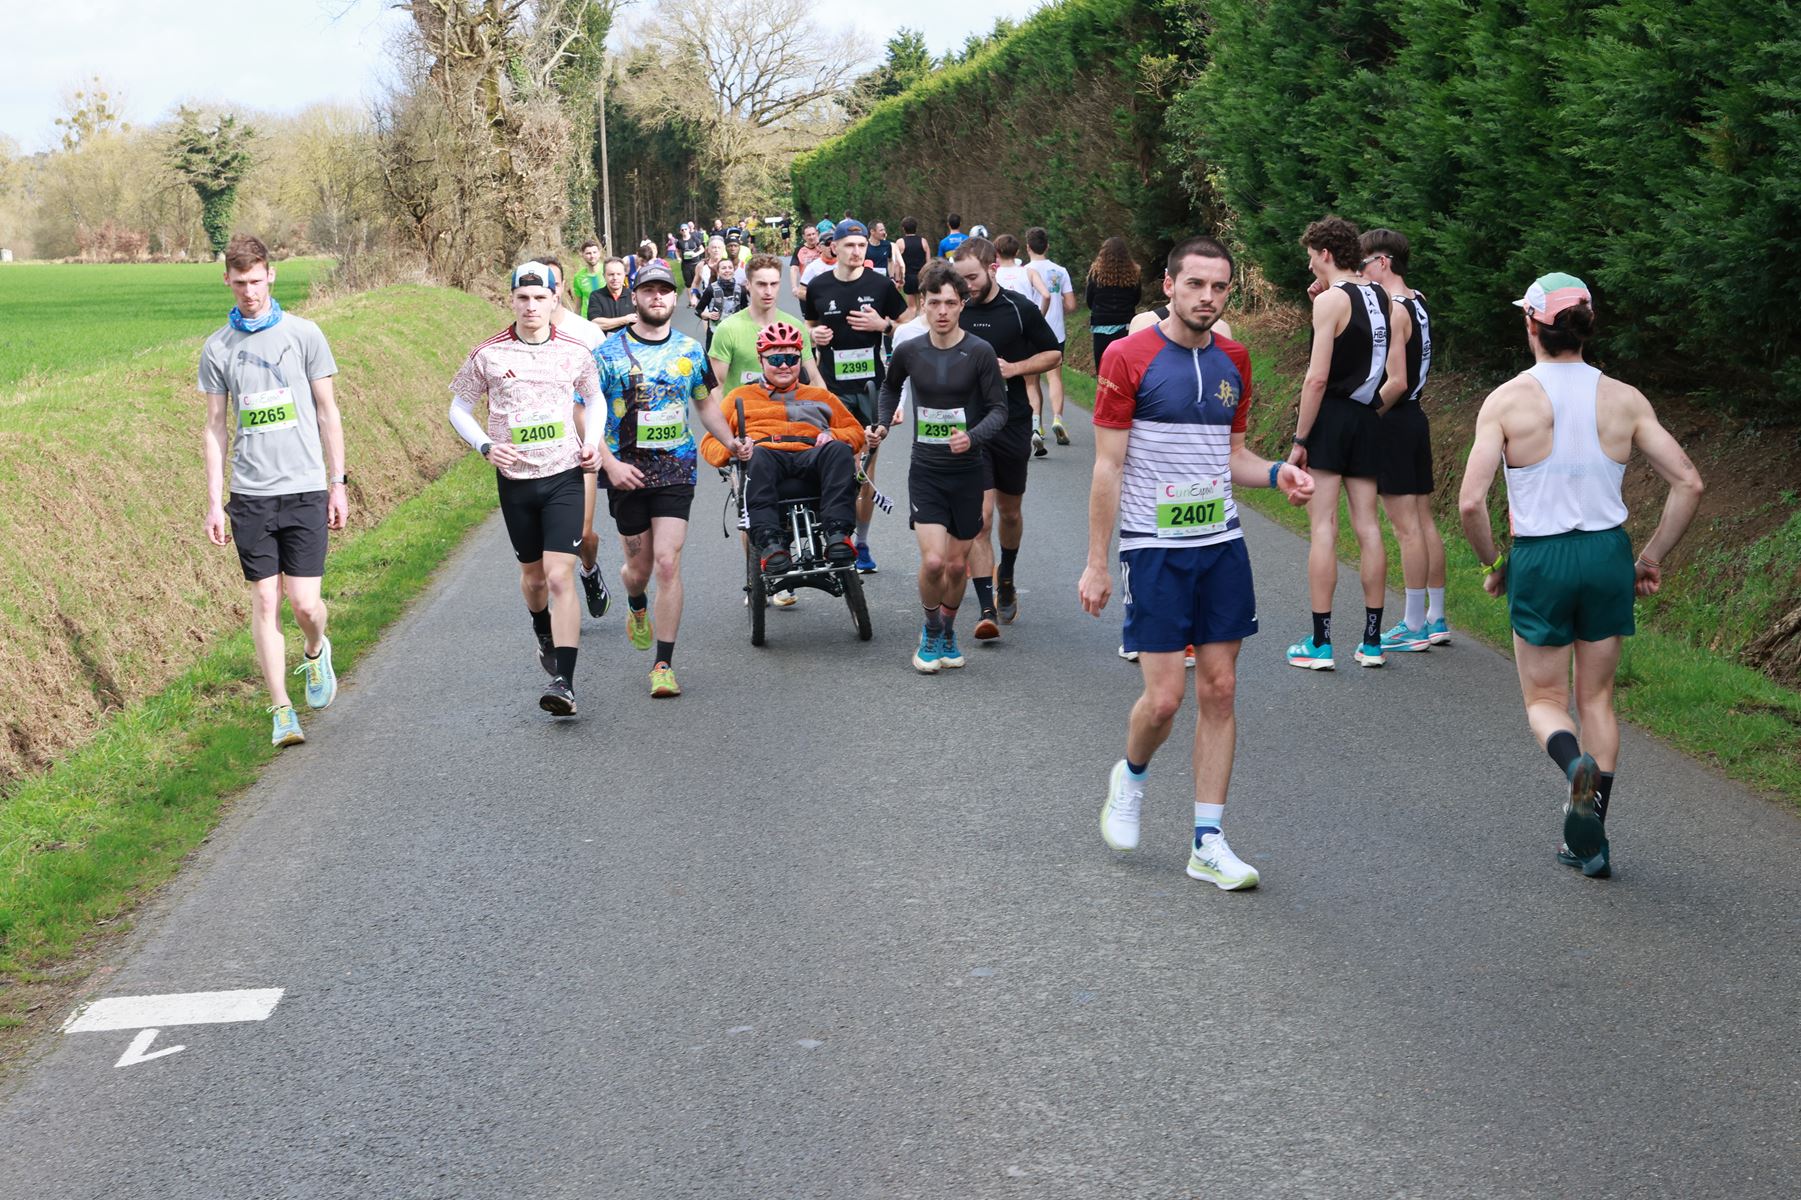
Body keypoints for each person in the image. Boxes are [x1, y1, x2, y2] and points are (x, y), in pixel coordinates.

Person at [1080, 236, 1316, 891]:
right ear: (1168, 285)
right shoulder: (1127, 357)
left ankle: (1206, 841)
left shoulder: (1234, 359)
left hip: (1220, 545)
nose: (1207, 297)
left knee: (1220, 689)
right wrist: (1097, 563)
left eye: (1218, 287)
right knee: (1163, 700)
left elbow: (1232, 457)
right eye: (1195, 284)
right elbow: (1108, 466)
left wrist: (1277, 473)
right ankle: (1130, 778)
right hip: (1153, 548)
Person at [1458, 272, 1702, 880]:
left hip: (1541, 557)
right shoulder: (1625, 399)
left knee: (1546, 700)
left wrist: (1495, 565)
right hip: (1606, 555)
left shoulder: (1507, 401)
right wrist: (1648, 559)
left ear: (1532, 324)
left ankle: (1574, 768)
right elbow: (1689, 482)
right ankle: (1591, 845)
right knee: (1596, 698)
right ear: (1586, 327)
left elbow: (1470, 502)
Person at [200, 234, 348, 748]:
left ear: (271, 276)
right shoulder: (218, 347)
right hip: (250, 494)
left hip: (304, 487)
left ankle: (315, 650)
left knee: (305, 605)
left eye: (256, 281)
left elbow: (328, 413)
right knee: (266, 599)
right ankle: (282, 710)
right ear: (227, 281)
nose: (249, 292)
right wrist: (214, 500)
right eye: (240, 283)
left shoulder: (305, 334)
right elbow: (215, 427)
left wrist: (337, 484)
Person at [448, 260, 611, 717]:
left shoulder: (575, 350)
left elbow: (594, 397)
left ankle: (565, 683)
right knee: (535, 579)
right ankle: (543, 629)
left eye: (540, 297)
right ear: (512, 300)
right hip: (516, 480)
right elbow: (458, 408)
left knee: (559, 577)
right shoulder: (488, 354)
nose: (531, 306)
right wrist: (485, 445)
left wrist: (592, 442)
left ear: (555, 299)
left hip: (564, 475)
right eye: (523, 297)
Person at [591, 262, 748, 698]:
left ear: (674, 298)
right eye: (649, 291)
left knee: (666, 562)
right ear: (635, 298)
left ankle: (663, 664)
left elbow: (706, 405)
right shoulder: (607, 353)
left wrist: (731, 443)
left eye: (664, 290)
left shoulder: (690, 350)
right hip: (627, 472)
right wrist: (609, 464)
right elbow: (586, 414)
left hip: (676, 468)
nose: (657, 297)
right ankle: (636, 603)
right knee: (637, 570)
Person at [872, 263, 1010, 673]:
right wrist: (883, 422)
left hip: (967, 472)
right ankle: (931, 629)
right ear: (923, 304)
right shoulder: (910, 350)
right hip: (926, 470)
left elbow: (999, 410)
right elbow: (889, 387)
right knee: (933, 562)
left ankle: (948, 630)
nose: (943, 311)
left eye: (950, 303)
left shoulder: (980, 352)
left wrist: (973, 437)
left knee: (955, 565)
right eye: (935, 303)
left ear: (962, 305)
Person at [1285, 215, 1391, 671]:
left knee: (1324, 525)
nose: (1310, 266)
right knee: (1368, 526)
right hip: (1368, 415)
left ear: (1325, 253)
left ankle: (1321, 642)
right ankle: (1372, 641)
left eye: (1312, 257)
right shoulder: (1380, 295)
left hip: (1332, 416)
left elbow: (1317, 377)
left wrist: (1300, 439)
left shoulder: (1331, 300)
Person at [951, 237, 1063, 637]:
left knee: (1009, 512)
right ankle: (987, 609)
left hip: (1012, 421)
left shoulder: (1019, 309)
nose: (966, 286)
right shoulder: (955, 308)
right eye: (960, 279)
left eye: (972, 278)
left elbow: (1053, 354)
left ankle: (1008, 574)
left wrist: (1014, 369)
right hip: (968, 425)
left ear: (992, 269)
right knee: (981, 520)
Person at [709, 253, 825, 609]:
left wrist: (831, 419)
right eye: (761, 284)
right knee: (751, 507)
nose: (769, 290)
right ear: (748, 285)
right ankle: (759, 577)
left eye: (774, 283)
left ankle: (784, 562)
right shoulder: (729, 329)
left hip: (790, 427)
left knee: (795, 496)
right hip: (747, 431)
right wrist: (725, 435)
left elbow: (814, 379)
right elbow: (714, 387)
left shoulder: (794, 326)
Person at [700, 321, 864, 571]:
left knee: (839, 449)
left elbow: (856, 431)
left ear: (800, 360)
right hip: (767, 458)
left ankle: (838, 534)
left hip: (812, 457)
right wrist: (734, 447)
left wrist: (833, 434)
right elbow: (710, 442)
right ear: (761, 360)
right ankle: (770, 543)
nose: (785, 365)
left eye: (792, 359)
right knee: (758, 455)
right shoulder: (739, 397)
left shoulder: (822, 397)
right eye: (776, 360)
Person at [801, 218, 908, 574]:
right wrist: (813, 336)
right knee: (836, 466)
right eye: (849, 245)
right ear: (835, 248)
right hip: (830, 389)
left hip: (871, 389)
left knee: (865, 469)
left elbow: (912, 325)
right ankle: (837, 536)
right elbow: (809, 326)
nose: (857, 251)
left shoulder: (880, 285)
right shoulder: (819, 286)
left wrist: (884, 326)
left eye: (862, 245)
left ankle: (861, 543)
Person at [1360, 228, 1449, 652]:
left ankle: (1414, 624)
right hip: (1416, 417)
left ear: (1382, 262)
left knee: (1405, 527)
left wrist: (1365, 417)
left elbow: (1395, 382)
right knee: (1424, 520)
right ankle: (1436, 616)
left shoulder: (1395, 309)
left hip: (1395, 418)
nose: (1360, 274)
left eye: (1363, 265)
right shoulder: (1419, 300)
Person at [1024, 226, 1077, 451]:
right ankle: (1058, 419)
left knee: (1031, 381)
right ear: (1047, 246)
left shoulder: (1024, 272)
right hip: (1055, 331)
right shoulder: (1060, 271)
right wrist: (1058, 306)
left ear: (1028, 247)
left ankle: (1036, 425)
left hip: (1030, 332)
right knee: (1055, 377)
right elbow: (1071, 305)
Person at [1085, 236, 1142, 367]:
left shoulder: (1095, 273)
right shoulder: (1134, 273)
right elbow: (1136, 299)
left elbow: (1089, 300)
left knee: (1102, 367)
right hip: (1125, 325)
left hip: (1101, 326)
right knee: (1123, 367)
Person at [893, 216, 931, 322]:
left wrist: (897, 280)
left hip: (908, 278)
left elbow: (897, 264)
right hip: (921, 278)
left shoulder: (900, 242)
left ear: (903, 228)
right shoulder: (923, 241)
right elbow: (928, 263)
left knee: (912, 307)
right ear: (916, 228)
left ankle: (911, 326)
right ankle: (923, 326)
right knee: (922, 306)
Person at [586, 257, 636, 335]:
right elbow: (595, 323)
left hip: (629, 341)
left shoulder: (633, 296)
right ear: (604, 276)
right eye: (611, 274)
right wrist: (625, 320)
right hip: (604, 341)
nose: (615, 278)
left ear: (624, 275)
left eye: (619, 274)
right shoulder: (596, 296)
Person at [795, 224, 837, 306]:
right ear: (820, 247)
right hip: (821, 308)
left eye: (834, 244)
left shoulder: (845, 263)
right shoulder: (813, 267)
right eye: (828, 244)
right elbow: (800, 292)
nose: (831, 247)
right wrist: (819, 298)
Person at [571, 239, 605, 321]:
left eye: (594, 252)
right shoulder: (578, 277)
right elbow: (578, 305)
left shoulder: (607, 271)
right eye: (588, 253)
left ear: (599, 253)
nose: (592, 256)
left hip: (607, 317)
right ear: (582, 255)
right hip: (587, 320)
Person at [790, 222, 823, 293]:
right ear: (804, 237)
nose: (812, 237)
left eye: (813, 234)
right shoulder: (799, 250)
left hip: (823, 284)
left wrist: (820, 247)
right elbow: (794, 269)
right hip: (806, 286)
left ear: (817, 233)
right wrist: (794, 287)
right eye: (808, 235)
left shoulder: (823, 247)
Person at [678, 222, 706, 286]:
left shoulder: (694, 238)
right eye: (682, 230)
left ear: (688, 229)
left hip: (695, 264)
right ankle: (690, 293)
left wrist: (696, 254)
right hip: (685, 265)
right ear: (680, 231)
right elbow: (677, 250)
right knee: (688, 284)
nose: (684, 230)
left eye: (685, 229)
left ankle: (696, 292)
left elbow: (702, 249)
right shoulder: (679, 242)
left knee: (696, 282)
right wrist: (678, 257)